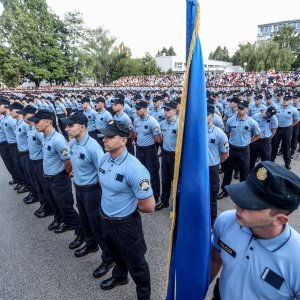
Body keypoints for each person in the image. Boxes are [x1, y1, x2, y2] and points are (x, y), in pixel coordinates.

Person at [210, 161, 300, 300]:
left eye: (251, 204)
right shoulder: (226, 222)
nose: (238, 205)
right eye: (243, 194)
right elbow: (214, 260)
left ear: (279, 219)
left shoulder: (296, 259)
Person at [98, 120, 155, 300]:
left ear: (124, 140)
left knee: (137, 264)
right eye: (104, 136)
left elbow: (148, 206)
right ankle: (120, 277)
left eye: (110, 136)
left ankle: (144, 296)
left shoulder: (135, 169)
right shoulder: (104, 158)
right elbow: (104, 184)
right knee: (115, 254)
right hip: (106, 219)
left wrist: (125, 207)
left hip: (126, 225)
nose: (104, 139)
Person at [62, 112, 114, 276]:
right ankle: (91, 244)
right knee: (85, 221)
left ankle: (108, 258)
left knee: (97, 226)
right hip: (79, 188)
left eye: (71, 125)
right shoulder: (74, 143)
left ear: (82, 127)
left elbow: (103, 172)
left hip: (92, 191)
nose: (66, 128)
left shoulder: (93, 146)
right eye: (67, 125)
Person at [29, 109, 84, 248]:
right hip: (48, 177)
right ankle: (62, 221)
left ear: (48, 122)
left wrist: (65, 173)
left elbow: (67, 161)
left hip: (58, 179)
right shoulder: (45, 136)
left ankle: (81, 233)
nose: (35, 124)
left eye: (37, 122)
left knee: (67, 208)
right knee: (55, 204)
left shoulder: (58, 140)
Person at [218, 100, 261, 199]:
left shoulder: (252, 122)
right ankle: (225, 190)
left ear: (247, 109)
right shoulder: (230, 120)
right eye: (239, 108)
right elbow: (227, 133)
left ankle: (243, 193)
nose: (240, 110)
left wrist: (247, 142)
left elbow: (258, 135)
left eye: (242, 109)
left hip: (244, 151)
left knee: (244, 172)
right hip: (232, 149)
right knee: (228, 171)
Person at [134, 100, 162, 204]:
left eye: (139, 109)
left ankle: (155, 195)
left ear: (145, 109)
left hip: (150, 150)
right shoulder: (136, 121)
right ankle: (143, 194)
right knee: (141, 172)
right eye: (136, 109)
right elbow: (135, 134)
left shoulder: (152, 122)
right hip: (140, 149)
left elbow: (158, 139)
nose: (137, 111)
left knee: (152, 173)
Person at [206, 104, 229, 226]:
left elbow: (225, 154)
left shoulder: (219, 133)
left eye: (206, 115)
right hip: (198, 169)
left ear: (212, 116)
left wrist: (215, 163)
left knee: (211, 197)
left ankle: (211, 222)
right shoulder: (196, 131)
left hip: (211, 169)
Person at [155, 100, 178, 211]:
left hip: (175, 156)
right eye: (164, 109)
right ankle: (164, 201)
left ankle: (176, 203)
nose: (165, 112)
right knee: (165, 179)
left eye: (168, 110)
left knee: (176, 181)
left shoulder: (180, 124)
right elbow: (160, 138)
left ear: (175, 110)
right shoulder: (162, 123)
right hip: (165, 154)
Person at [271, 95, 299, 169]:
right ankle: (271, 161)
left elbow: (296, 120)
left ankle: (287, 163)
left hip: (287, 129)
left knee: (286, 146)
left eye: (287, 100)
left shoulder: (293, 110)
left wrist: (290, 126)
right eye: (284, 99)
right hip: (278, 129)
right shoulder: (277, 108)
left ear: (290, 101)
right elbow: (272, 117)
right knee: (274, 145)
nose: (285, 101)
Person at [0, 97, 19, 185]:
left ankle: (20, 180)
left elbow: (17, 134)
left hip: (9, 144)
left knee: (14, 163)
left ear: (4, 106)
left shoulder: (11, 119)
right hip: (6, 143)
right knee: (9, 163)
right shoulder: (4, 118)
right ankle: (16, 178)